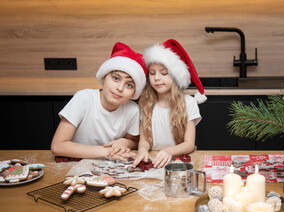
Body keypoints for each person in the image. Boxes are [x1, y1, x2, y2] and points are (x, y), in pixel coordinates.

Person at [51, 42, 147, 161]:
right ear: (103, 77)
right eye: (116, 78)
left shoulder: (132, 110)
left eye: (129, 85)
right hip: (76, 163)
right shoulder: (84, 98)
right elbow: (57, 146)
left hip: (108, 166)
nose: (120, 88)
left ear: (134, 93)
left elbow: (133, 140)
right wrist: (104, 152)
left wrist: (125, 142)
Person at [133, 39, 207, 168]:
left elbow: (189, 144)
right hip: (153, 161)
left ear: (175, 75)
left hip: (178, 160)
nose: (156, 78)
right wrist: (143, 150)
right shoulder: (145, 102)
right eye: (152, 73)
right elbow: (144, 140)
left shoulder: (188, 103)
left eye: (164, 73)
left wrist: (169, 151)